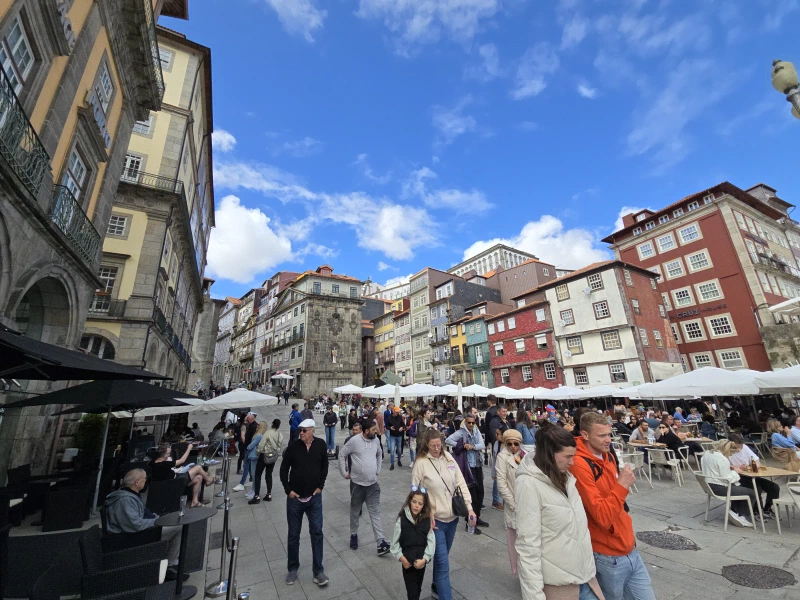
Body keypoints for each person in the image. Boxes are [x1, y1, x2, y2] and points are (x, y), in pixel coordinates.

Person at [571, 412, 653, 600]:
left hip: (628, 546)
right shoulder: (579, 464)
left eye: (609, 434)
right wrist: (622, 486)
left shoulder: (606, 454)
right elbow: (602, 517)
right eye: (602, 436)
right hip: (607, 554)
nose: (608, 440)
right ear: (585, 435)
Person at [515, 426, 603, 599]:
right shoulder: (528, 484)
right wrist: (534, 595)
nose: (572, 462)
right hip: (559, 585)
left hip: (586, 578)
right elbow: (527, 546)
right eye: (568, 457)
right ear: (550, 454)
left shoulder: (567, 478)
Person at [411, 429, 476, 600]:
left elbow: (460, 482)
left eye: (439, 445)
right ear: (427, 445)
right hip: (435, 522)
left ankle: (435, 587)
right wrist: (426, 512)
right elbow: (416, 490)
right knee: (442, 565)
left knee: (443, 556)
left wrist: (469, 508)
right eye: (433, 446)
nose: (436, 449)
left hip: (453, 518)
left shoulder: (448, 457)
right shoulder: (421, 463)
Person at [105, 469, 185, 580]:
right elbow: (135, 525)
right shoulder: (125, 500)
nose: (146, 481)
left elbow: (141, 515)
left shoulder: (129, 495)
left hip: (135, 533)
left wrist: (155, 517)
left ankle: (168, 564)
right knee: (178, 527)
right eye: (144, 479)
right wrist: (157, 522)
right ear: (137, 482)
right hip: (130, 538)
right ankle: (170, 566)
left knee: (176, 522)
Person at [279, 419, 330, 587]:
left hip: (314, 498)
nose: (301, 433)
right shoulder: (293, 447)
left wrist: (320, 486)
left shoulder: (320, 445)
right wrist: (288, 490)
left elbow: (325, 465)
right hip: (295, 499)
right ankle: (292, 568)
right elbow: (283, 469)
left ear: (312, 431)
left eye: (304, 430)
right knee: (294, 534)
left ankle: (318, 571)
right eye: (300, 430)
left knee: (317, 532)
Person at [339, 420, 391, 555]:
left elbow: (380, 454)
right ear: (366, 430)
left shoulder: (376, 441)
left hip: (373, 484)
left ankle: (381, 543)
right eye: (373, 429)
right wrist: (344, 473)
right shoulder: (354, 441)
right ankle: (354, 535)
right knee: (355, 511)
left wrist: (378, 469)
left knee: (375, 512)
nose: (376, 431)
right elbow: (342, 454)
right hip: (357, 484)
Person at [390, 487, 436, 600]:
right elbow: (394, 543)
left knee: (418, 588)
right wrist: (402, 558)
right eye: (414, 502)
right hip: (408, 562)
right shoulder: (401, 520)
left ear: (424, 505)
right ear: (410, 501)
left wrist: (425, 559)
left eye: (420, 503)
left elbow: (431, 541)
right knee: (412, 592)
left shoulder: (426, 520)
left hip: (421, 562)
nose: (416, 506)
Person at [446, 412, 488, 533]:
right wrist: (461, 445)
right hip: (468, 465)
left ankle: (477, 517)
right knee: (472, 495)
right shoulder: (461, 432)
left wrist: (472, 446)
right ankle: (470, 523)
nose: (470, 424)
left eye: (472, 422)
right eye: (468, 422)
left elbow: (482, 444)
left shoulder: (476, 431)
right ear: (465, 422)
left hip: (478, 464)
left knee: (480, 493)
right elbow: (448, 440)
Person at [495, 429, 528, 578]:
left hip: (528, 503)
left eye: (516, 443)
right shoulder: (502, 457)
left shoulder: (526, 455)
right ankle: (521, 573)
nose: (513, 446)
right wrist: (514, 504)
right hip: (513, 505)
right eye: (510, 443)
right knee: (516, 543)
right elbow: (501, 484)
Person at [701, 441, 756, 527]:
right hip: (719, 487)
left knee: (739, 487)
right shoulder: (722, 459)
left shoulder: (707, 453)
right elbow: (727, 479)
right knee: (751, 493)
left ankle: (734, 512)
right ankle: (741, 515)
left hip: (709, 485)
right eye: (732, 452)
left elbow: (718, 471)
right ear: (728, 450)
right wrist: (736, 472)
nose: (731, 455)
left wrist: (732, 469)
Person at [726, 433, 780, 519]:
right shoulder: (727, 451)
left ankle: (767, 508)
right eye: (737, 447)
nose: (739, 449)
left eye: (741, 446)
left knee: (774, 487)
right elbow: (726, 466)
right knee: (756, 488)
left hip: (750, 474)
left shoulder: (745, 448)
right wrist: (738, 467)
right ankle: (756, 510)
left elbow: (757, 461)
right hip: (738, 476)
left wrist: (751, 466)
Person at [150, 443, 213, 507]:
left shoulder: (154, 462)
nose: (169, 455)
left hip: (172, 481)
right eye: (168, 453)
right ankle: (208, 480)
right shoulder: (164, 464)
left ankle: (194, 501)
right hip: (176, 483)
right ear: (164, 455)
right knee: (198, 467)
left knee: (199, 477)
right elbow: (182, 460)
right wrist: (189, 448)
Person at [250, 419, 283, 504]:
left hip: (264, 455)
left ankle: (256, 496)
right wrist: (275, 451)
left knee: (258, 474)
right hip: (273, 456)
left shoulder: (267, 433)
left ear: (272, 424)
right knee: (269, 474)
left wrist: (258, 452)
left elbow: (261, 444)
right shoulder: (280, 434)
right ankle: (269, 494)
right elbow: (279, 445)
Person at [489, 403, 509, 510]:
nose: (505, 413)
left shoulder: (506, 421)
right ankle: (495, 501)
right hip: (498, 449)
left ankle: (505, 501)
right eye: (503, 412)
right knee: (497, 479)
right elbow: (494, 436)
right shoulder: (495, 422)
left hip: (504, 447)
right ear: (498, 412)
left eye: (506, 412)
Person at [242, 422, 266, 499]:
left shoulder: (259, 436)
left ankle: (254, 491)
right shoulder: (258, 434)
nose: (257, 426)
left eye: (259, 425)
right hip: (253, 456)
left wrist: (247, 447)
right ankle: (252, 490)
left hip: (254, 456)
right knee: (253, 474)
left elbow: (252, 444)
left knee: (254, 474)